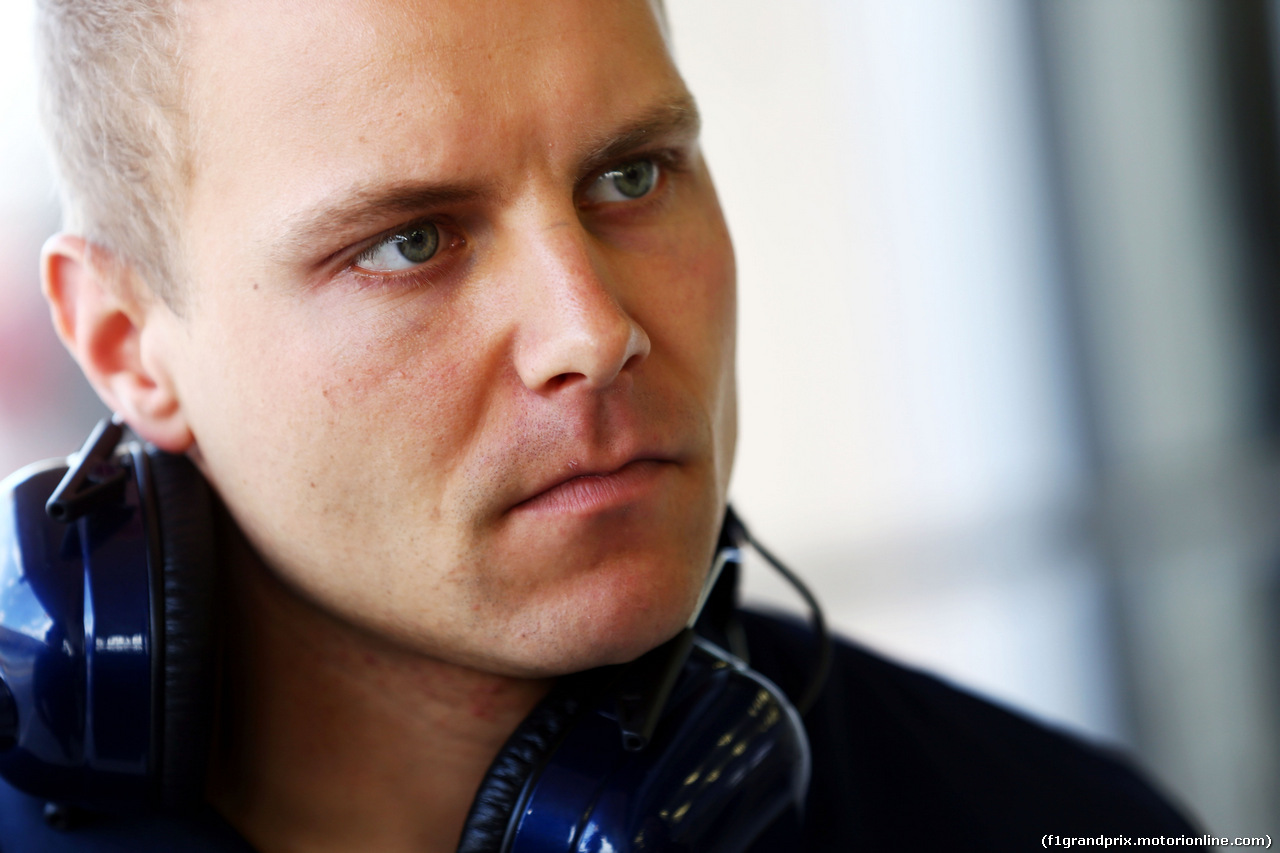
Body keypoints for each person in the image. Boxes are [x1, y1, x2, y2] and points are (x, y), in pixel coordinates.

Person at [0, 0, 1206, 850]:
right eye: (409, 242)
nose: (592, 329)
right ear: (124, 342)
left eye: (629, 176)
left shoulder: (1045, 816)